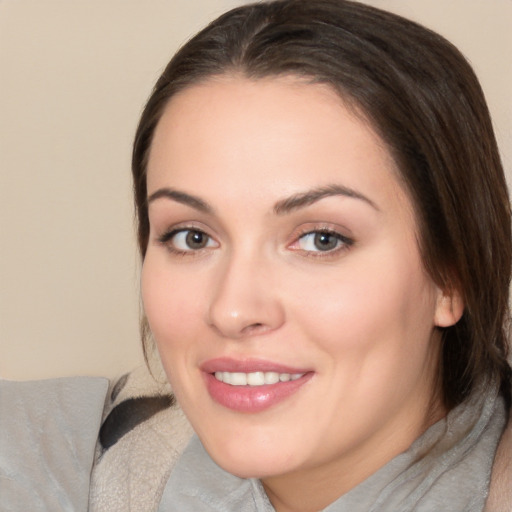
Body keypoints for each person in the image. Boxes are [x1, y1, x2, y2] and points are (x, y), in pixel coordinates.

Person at [130, 0, 512, 510]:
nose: (233, 310)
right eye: (192, 237)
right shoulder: (56, 465)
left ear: (452, 274)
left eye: (321, 239)